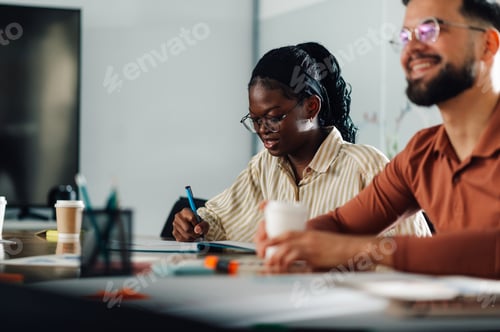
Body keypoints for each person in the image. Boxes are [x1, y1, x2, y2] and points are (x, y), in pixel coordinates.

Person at [255, 0, 500, 279]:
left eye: (430, 30)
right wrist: (294, 237)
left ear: (487, 44)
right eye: (406, 36)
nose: (412, 48)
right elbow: (343, 224)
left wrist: (359, 252)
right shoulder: (422, 153)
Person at [173, 42, 431, 242]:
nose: (263, 129)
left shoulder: (365, 166)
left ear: (310, 107)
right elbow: (219, 220)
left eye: (274, 117)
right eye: (255, 120)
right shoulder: (263, 167)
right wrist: (196, 224)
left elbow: (415, 252)